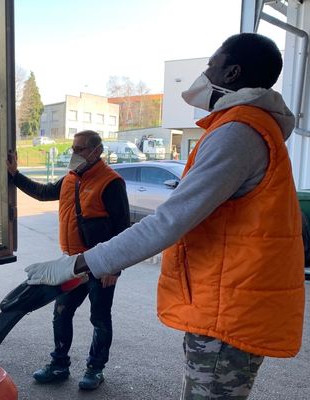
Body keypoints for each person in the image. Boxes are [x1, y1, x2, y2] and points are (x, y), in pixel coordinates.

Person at [24, 33, 305, 399]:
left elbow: (168, 222)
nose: (204, 73)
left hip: (228, 308)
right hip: (225, 299)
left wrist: (81, 264)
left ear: (233, 73)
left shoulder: (238, 133)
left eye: (212, 65)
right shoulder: (248, 128)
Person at [7, 130, 130, 391]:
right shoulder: (70, 179)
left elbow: (123, 229)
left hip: (100, 264)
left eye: (80, 149)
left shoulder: (111, 182)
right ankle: (59, 365)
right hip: (72, 264)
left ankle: (95, 369)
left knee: (99, 318)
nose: (73, 153)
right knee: (61, 312)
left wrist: (115, 268)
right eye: (73, 148)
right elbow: (42, 192)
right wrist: (15, 175)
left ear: (97, 151)